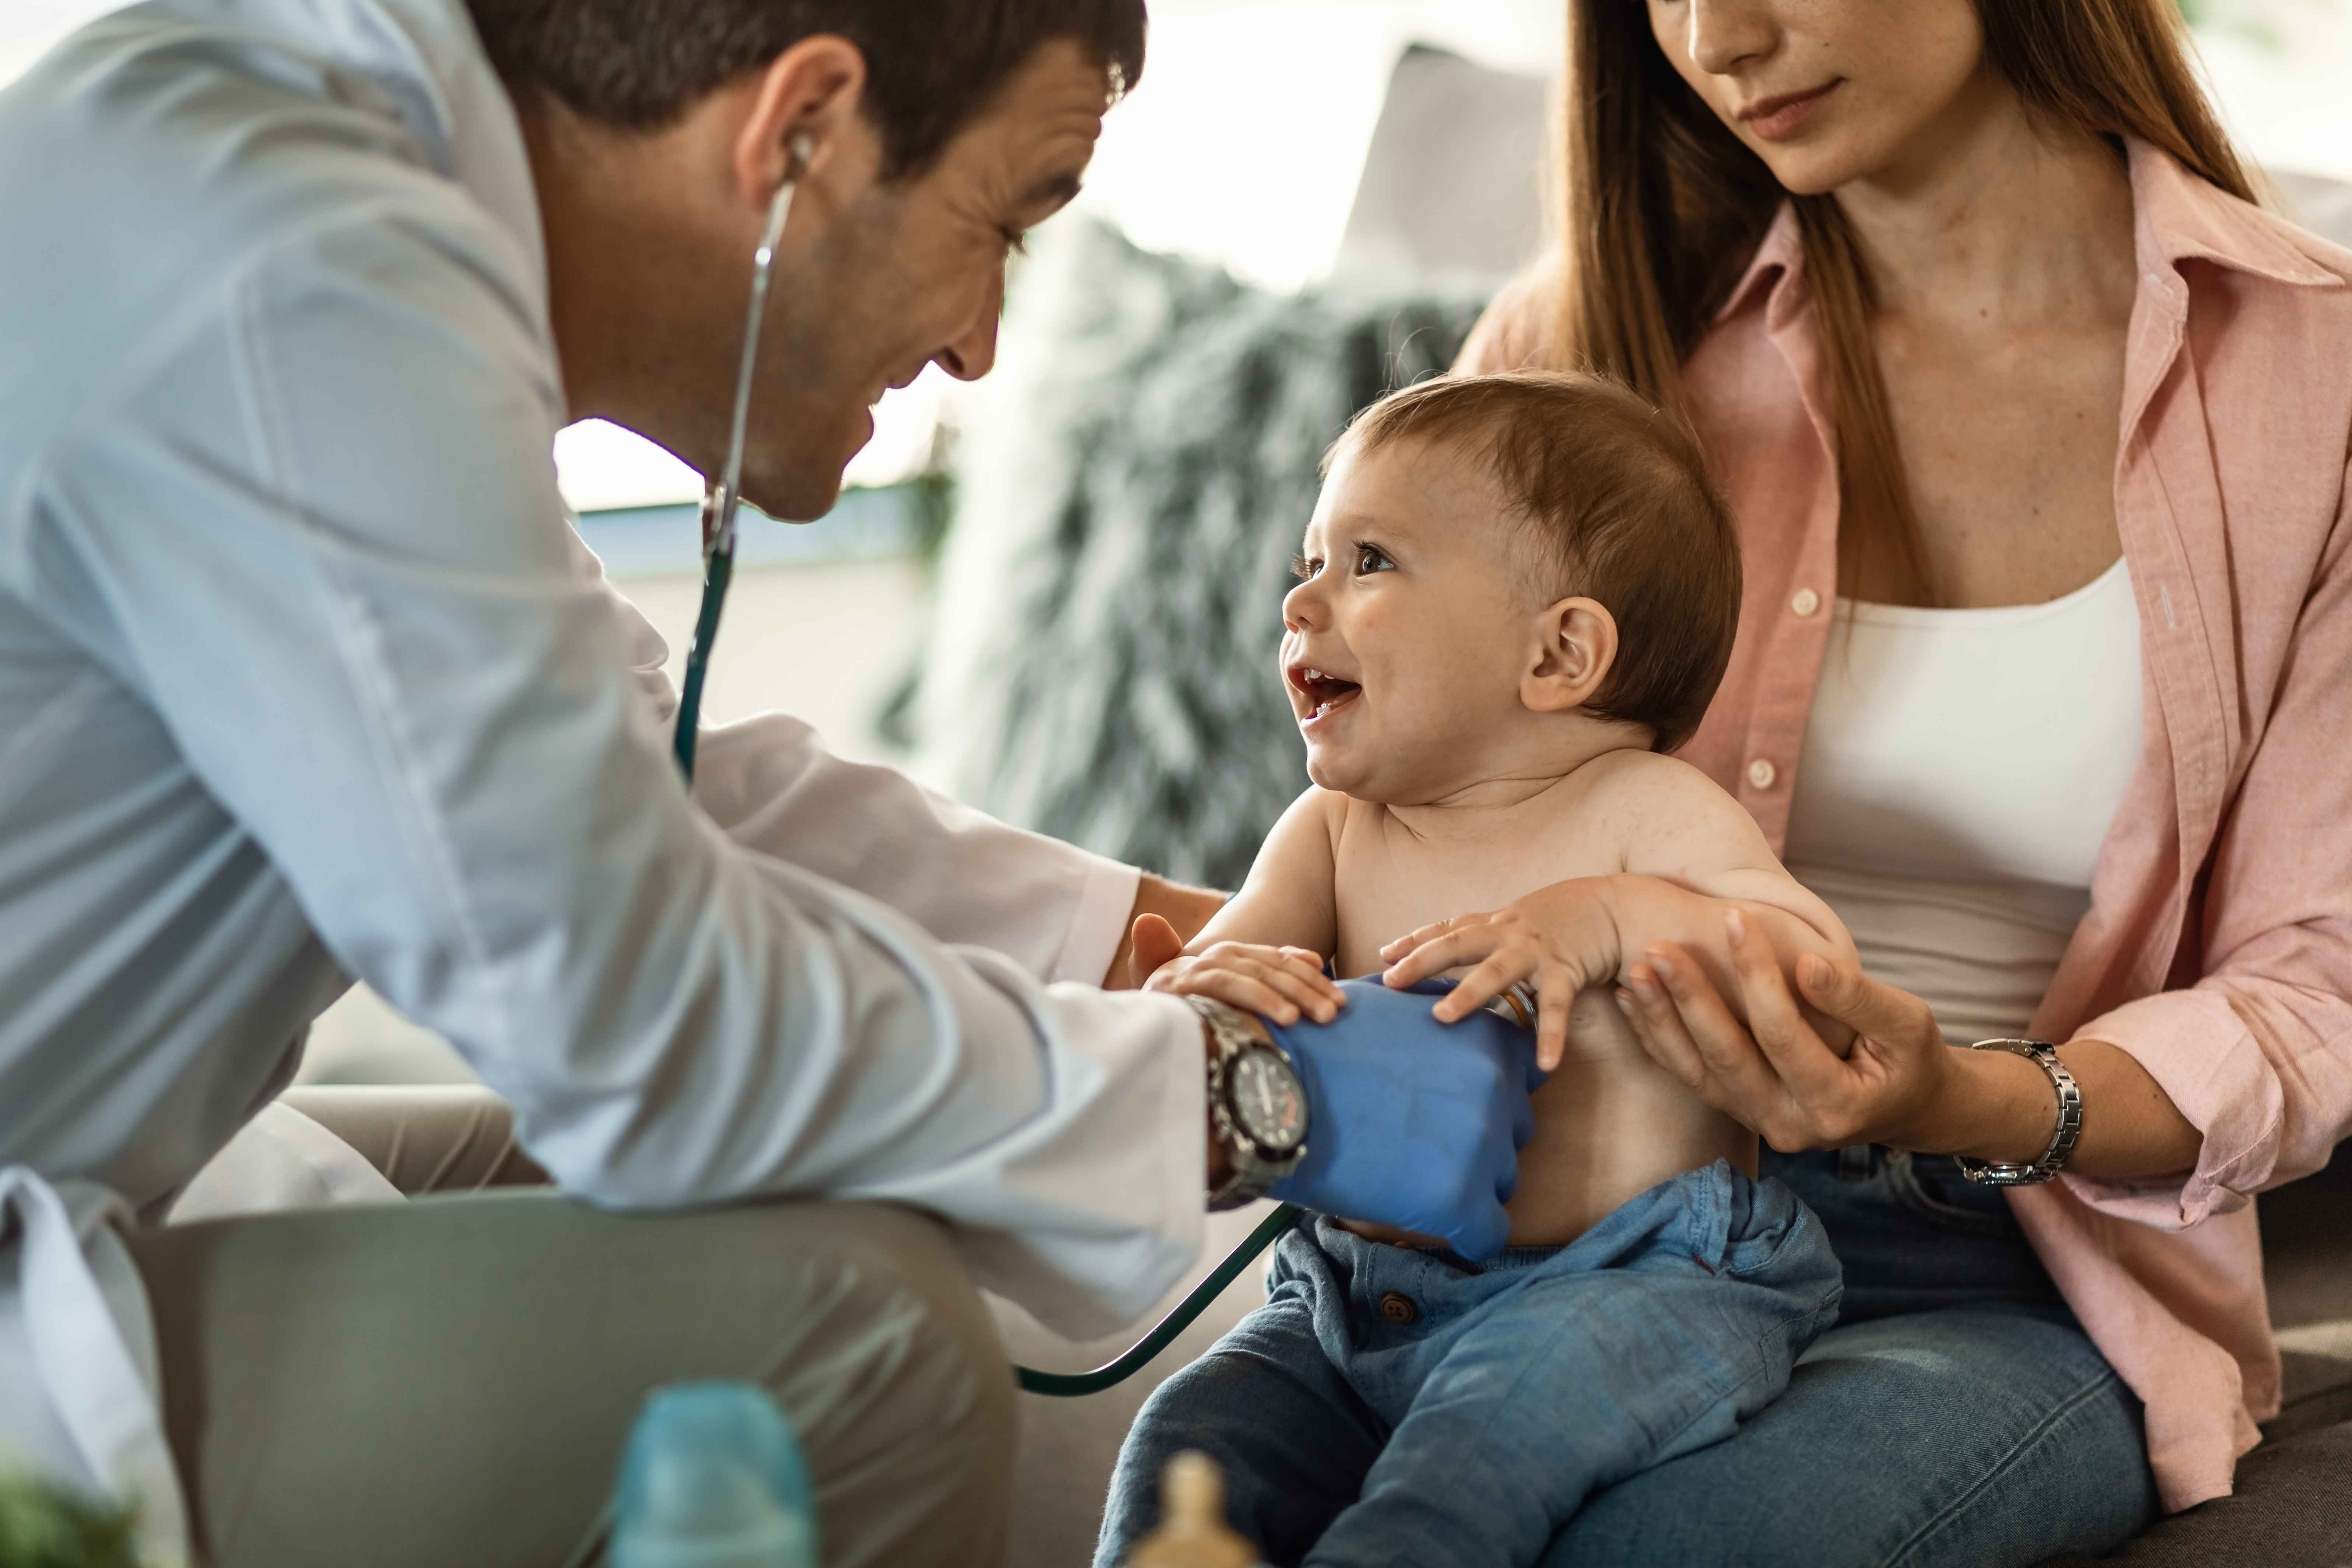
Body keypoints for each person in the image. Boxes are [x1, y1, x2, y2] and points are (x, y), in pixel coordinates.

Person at [0, 2, 1545, 1565]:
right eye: (997, 223)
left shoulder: (346, 185)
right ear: (798, 127)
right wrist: (1248, 1096)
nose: (978, 342)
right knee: (865, 1345)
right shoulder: (292, 278)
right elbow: (629, 1011)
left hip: (80, 1173)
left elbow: (630, 786)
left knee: (792, 1206)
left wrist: (1193, 934)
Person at [1371, 0, 2352, 1561]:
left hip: (2003, 1261)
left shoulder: (2318, 370)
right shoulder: (1586, 353)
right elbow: (1383, 822)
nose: (1716, 36)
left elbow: (2312, 992)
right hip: (1561, 1223)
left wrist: (1956, 1096)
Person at [1095, 371, 1858, 1567]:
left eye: (1370, 561)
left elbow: (1817, 970)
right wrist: (1195, 996)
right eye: (1311, 558)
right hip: (1355, 1289)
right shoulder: (1332, 831)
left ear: (1559, 651)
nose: (1300, 599)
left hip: (1637, 1284)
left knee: (1462, 1469)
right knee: (1190, 1441)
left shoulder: (1646, 812)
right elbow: (1220, 987)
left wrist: (1610, 919)